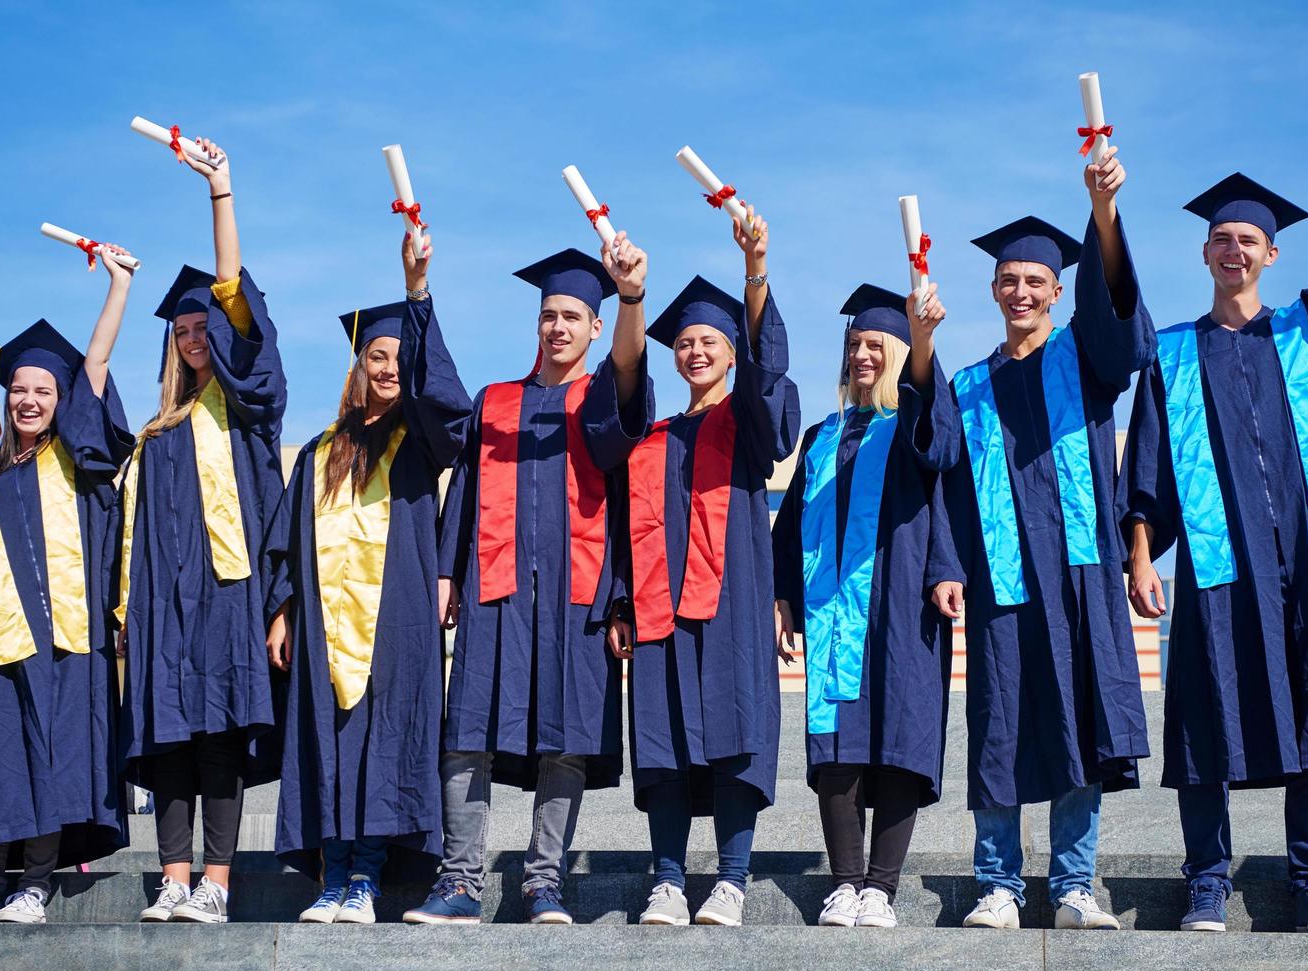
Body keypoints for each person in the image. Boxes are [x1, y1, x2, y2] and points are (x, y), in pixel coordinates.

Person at [1121, 122, 1308, 935]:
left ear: (1271, 255)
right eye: (1220, 239)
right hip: (1217, 560)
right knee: (1207, 714)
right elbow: (1144, 468)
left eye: (1248, 238)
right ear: (1204, 255)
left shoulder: (1305, 332)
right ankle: (1205, 882)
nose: (1233, 249)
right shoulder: (1170, 355)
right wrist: (1140, 555)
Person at [405, 235, 653, 925]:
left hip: (579, 595)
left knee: (565, 737)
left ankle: (544, 885)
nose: (557, 326)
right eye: (549, 315)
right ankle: (458, 883)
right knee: (467, 732)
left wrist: (630, 292)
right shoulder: (495, 402)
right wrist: (449, 568)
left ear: (595, 327)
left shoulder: (601, 401)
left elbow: (631, 378)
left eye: (573, 316)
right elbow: (467, 487)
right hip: (496, 589)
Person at [941, 148, 1152, 931]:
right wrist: (944, 565)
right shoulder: (964, 387)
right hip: (1000, 580)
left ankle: (1071, 885)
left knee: (1081, 722)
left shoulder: (1084, 360)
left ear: (1057, 292)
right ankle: (996, 884)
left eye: (1035, 281)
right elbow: (942, 488)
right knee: (998, 727)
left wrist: (1102, 212)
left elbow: (1124, 331)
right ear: (993, 292)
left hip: (1079, 576)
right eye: (1008, 281)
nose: (1020, 290)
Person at [270, 231, 472, 924]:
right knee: (327, 743)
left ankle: (367, 877)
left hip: (399, 616)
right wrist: (283, 609)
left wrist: (418, 295)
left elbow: (450, 407)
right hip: (325, 626)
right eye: (376, 356)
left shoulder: (420, 439)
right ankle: (332, 876)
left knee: (386, 742)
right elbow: (289, 545)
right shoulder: (321, 452)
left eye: (399, 357)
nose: (388, 368)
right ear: (357, 365)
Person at [605, 207, 800, 927]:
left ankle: (731, 881)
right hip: (657, 613)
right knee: (661, 743)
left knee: (733, 736)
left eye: (708, 341)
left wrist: (753, 272)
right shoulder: (649, 436)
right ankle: (665, 879)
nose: (692, 351)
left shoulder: (747, 422)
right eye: (683, 342)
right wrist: (621, 602)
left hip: (730, 609)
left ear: (729, 353)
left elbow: (767, 380)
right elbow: (624, 530)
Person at [112, 138, 288, 925]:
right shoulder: (153, 435)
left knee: (219, 737)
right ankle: (172, 879)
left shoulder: (247, 408)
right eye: (183, 329)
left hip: (228, 601)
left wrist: (221, 193)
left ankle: (216, 882)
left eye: (205, 326)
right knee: (169, 743)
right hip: (161, 609)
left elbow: (236, 301)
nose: (194, 336)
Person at [0, 244, 137, 923]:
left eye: (43, 391)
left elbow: (97, 371)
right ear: (5, 398)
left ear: (62, 403)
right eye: (19, 389)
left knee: (52, 759)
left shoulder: (79, 468)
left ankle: (36, 884)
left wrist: (117, 289)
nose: (28, 399)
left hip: (65, 640)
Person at [771, 276, 958, 929]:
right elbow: (789, 523)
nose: (860, 356)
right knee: (836, 748)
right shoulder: (821, 436)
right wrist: (782, 597)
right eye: (854, 344)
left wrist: (926, 343)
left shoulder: (912, 422)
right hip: (829, 617)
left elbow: (941, 459)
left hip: (902, 611)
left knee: (899, 740)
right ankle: (844, 884)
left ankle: (880, 887)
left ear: (903, 355)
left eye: (876, 344)